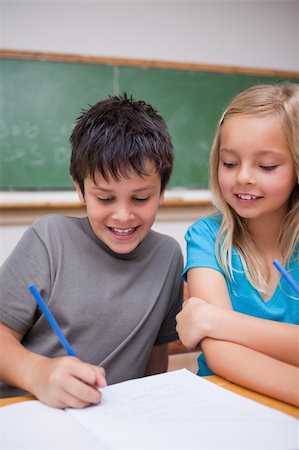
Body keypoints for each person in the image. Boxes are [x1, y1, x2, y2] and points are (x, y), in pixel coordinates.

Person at [0, 94, 184, 408]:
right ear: (80, 187)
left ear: (162, 191)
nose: (123, 215)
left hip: (111, 421)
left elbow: (155, 356)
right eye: (105, 198)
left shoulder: (168, 257)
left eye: (140, 199)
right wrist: (38, 373)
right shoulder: (49, 239)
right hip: (29, 410)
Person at [176, 83, 299, 406]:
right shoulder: (205, 237)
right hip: (223, 404)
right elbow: (221, 355)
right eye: (229, 163)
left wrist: (216, 321)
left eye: (267, 166)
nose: (243, 177)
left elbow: (214, 332)